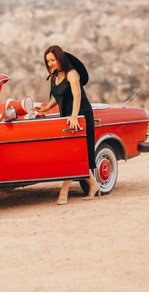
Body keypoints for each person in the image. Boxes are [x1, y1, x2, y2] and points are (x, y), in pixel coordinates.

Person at [32, 45, 100, 204]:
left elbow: (77, 95)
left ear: (60, 58)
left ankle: (64, 191)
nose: (50, 63)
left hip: (80, 115)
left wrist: (75, 116)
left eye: (53, 60)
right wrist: (47, 108)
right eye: (48, 61)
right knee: (73, 153)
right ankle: (93, 185)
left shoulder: (72, 74)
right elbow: (60, 94)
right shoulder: (56, 76)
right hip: (67, 116)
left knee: (72, 153)